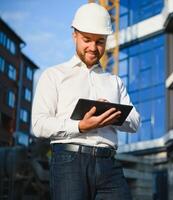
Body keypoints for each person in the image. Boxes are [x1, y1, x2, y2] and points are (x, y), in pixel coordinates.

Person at [31, 3, 140, 200]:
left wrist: (111, 115)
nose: (93, 47)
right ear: (74, 35)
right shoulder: (54, 75)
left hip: (109, 165)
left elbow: (135, 122)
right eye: (86, 40)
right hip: (69, 162)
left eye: (100, 41)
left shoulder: (114, 81)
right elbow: (38, 125)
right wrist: (80, 126)